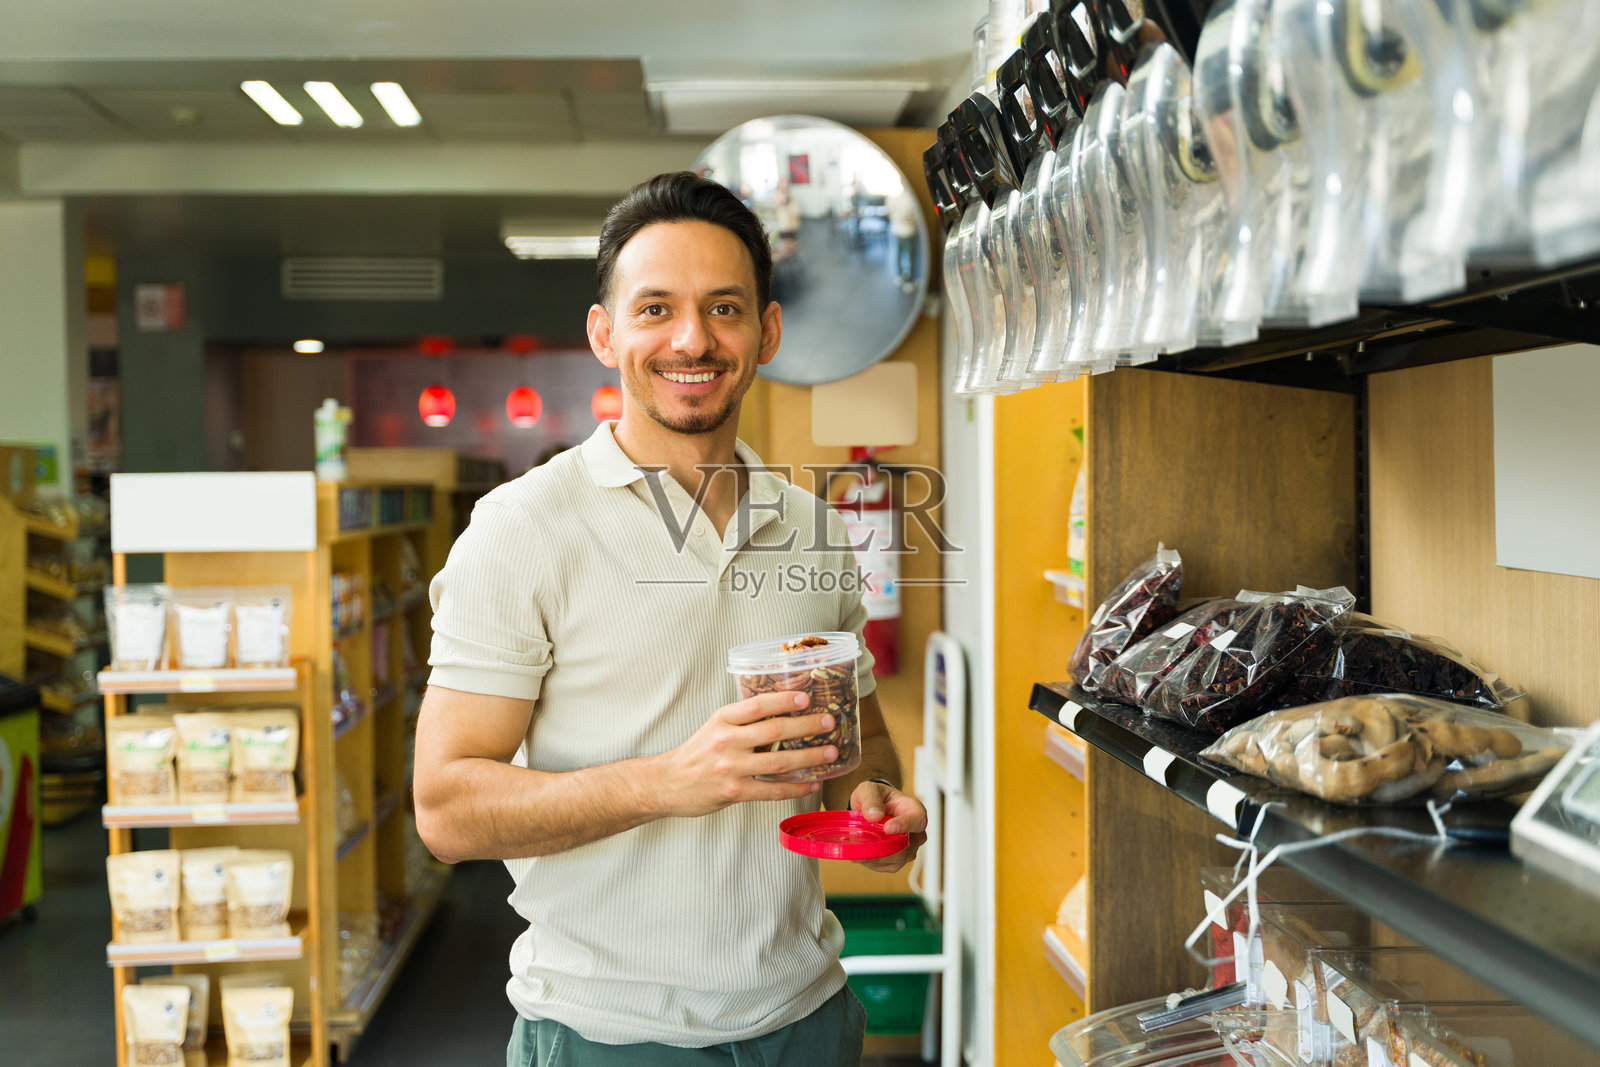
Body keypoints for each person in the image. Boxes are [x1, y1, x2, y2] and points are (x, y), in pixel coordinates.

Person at [413, 171, 928, 1067]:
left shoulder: (812, 524)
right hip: (604, 1036)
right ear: (605, 333)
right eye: (656, 308)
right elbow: (447, 807)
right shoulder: (519, 529)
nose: (693, 337)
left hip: (807, 1022)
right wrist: (672, 780)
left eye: (724, 308)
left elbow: (859, 743)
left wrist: (871, 804)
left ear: (766, 331)